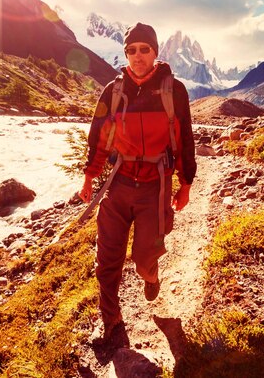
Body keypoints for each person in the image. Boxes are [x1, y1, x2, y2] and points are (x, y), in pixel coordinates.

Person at [78, 22, 196, 341]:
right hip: (118, 184)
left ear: (155, 52)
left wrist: (185, 184)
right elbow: (98, 137)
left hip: (155, 188)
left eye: (145, 49)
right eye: (132, 50)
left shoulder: (175, 91)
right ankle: (112, 322)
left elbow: (185, 139)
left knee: (144, 257)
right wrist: (90, 176)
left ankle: (151, 274)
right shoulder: (114, 91)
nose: (138, 55)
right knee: (108, 260)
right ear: (126, 54)